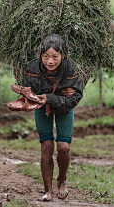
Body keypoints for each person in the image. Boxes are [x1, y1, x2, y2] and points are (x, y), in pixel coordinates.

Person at [23, 34, 83, 201]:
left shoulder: (71, 70)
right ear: (40, 55)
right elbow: (29, 93)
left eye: (55, 57)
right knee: (46, 146)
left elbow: (74, 98)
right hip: (41, 109)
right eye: (46, 56)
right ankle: (47, 189)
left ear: (62, 56)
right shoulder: (32, 69)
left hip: (65, 109)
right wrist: (57, 93)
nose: (50, 61)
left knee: (64, 147)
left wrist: (49, 97)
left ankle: (62, 180)